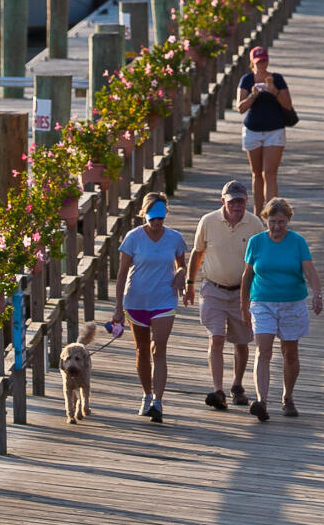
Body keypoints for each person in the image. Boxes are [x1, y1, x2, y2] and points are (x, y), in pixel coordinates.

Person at [239, 196, 322, 420]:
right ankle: (261, 400)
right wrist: (244, 305)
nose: (276, 227)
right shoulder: (256, 242)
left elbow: (310, 271)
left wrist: (317, 295)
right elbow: (247, 276)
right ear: (266, 220)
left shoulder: (297, 242)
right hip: (262, 301)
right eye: (272, 222)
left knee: (290, 352)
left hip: (292, 303)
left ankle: (288, 396)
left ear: (288, 221)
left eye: (281, 222)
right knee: (263, 349)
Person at [183, 178, 263, 410]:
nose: (237, 206)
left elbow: (261, 259)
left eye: (241, 201)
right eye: (232, 201)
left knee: (241, 341)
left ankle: (237, 386)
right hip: (214, 288)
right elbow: (198, 253)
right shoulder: (208, 221)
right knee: (216, 338)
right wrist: (190, 283)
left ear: (246, 201)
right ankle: (218, 390)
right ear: (223, 201)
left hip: (243, 292)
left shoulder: (255, 224)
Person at [111, 192, 187, 425]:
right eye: (153, 218)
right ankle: (146, 394)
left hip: (164, 300)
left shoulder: (174, 238)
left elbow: (182, 265)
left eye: (161, 218)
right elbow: (122, 273)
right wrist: (117, 308)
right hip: (136, 301)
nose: (157, 223)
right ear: (144, 215)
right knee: (142, 350)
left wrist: (182, 275)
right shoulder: (133, 238)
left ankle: (158, 401)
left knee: (159, 349)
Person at [236, 44, 295, 213]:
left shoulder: (277, 79)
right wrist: (253, 95)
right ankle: (257, 211)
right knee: (256, 174)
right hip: (253, 130)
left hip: (274, 130)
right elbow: (240, 108)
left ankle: (272, 212)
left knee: (270, 173)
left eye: (264, 61)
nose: (261, 65)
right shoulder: (246, 80)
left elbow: (288, 105)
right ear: (252, 63)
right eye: (258, 62)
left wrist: (275, 92)